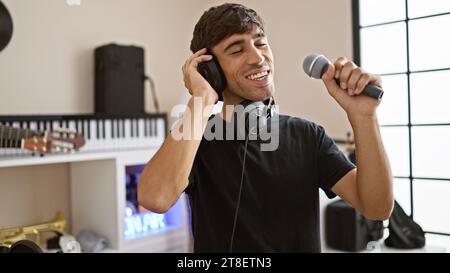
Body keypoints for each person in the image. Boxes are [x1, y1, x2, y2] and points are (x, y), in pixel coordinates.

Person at [138, 3, 393, 252]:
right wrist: (202, 97)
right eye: (237, 50)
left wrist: (363, 118)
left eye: (260, 43)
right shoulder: (195, 140)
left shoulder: (308, 136)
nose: (258, 57)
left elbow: (377, 208)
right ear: (210, 70)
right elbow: (155, 198)